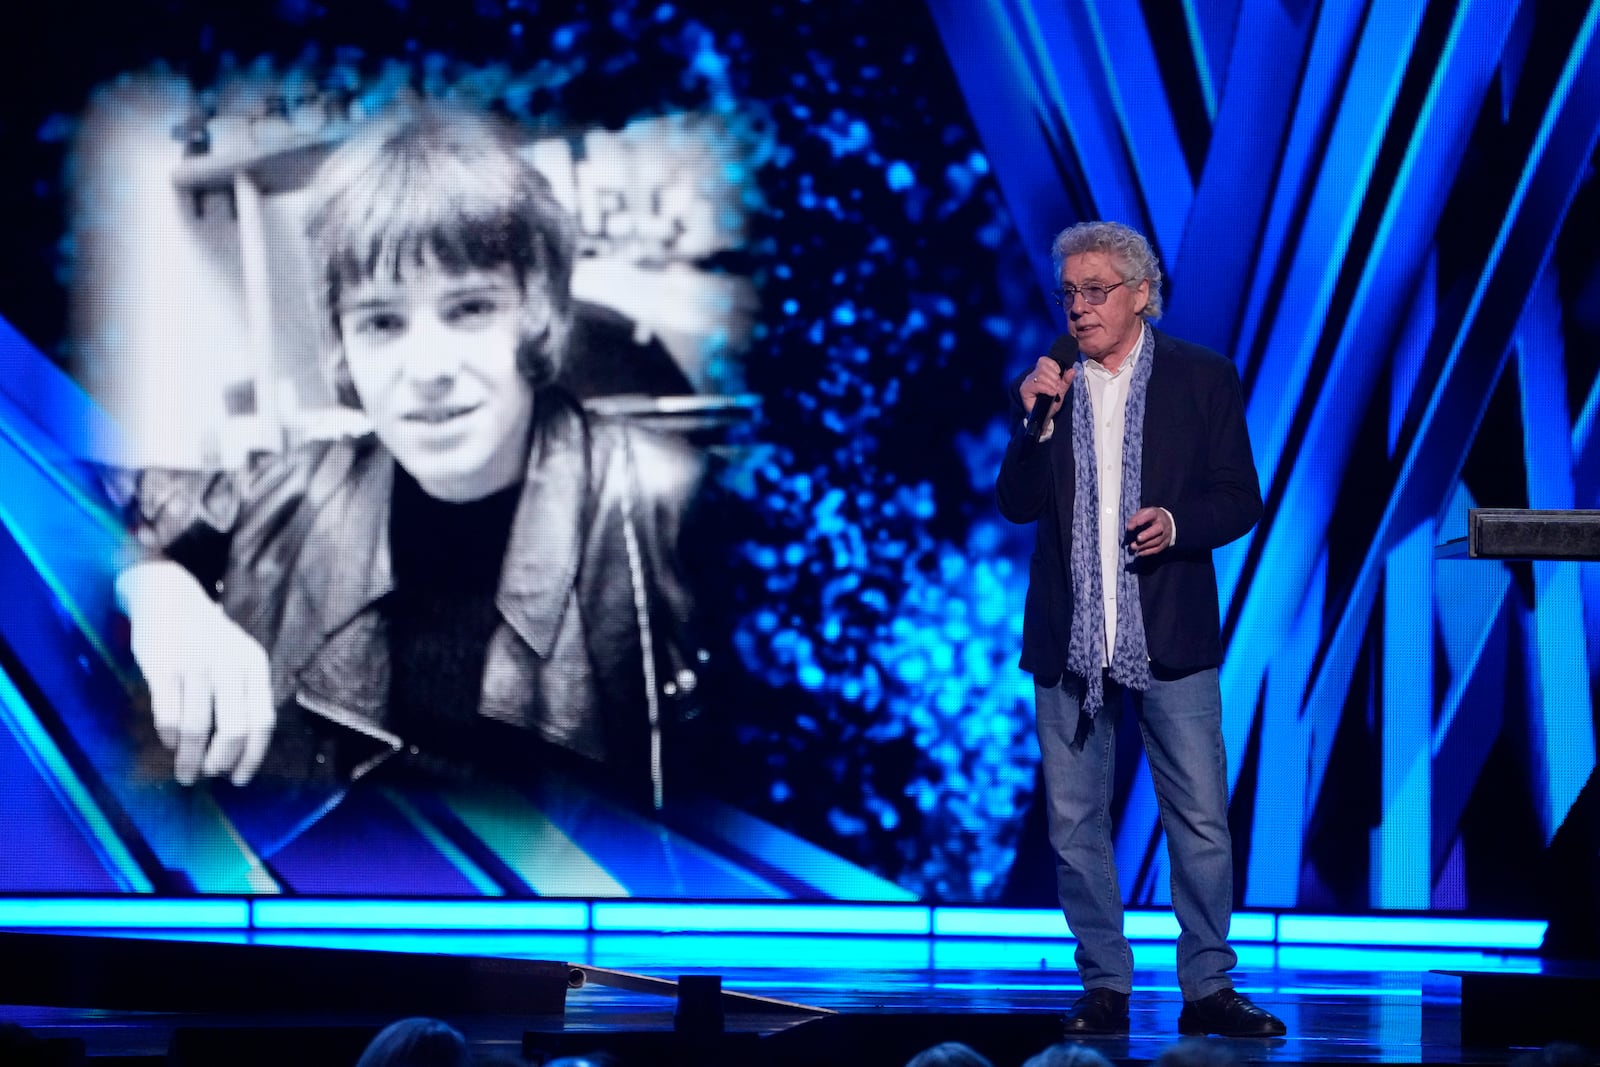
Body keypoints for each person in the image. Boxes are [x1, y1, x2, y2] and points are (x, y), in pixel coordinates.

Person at [108, 100, 707, 810]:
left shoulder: (673, 510)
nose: (426, 367)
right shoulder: (296, 485)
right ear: (343, 347)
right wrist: (159, 592)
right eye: (382, 321)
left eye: (471, 308)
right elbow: (93, 497)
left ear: (536, 313)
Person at [995, 221, 1283, 1037]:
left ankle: (1208, 987)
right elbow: (1014, 503)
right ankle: (1104, 984)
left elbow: (1241, 496)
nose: (1079, 309)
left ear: (1140, 295)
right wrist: (1034, 423)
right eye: (1069, 293)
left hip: (1170, 632)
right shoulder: (1050, 385)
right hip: (1070, 638)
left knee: (1197, 815)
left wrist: (1177, 522)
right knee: (1075, 819)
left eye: (1095, 291)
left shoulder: (1202, 378)